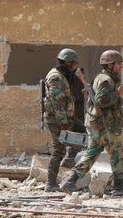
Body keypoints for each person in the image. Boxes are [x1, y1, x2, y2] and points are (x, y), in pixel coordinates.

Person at [61, 50, 123, 195]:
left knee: (90, 155)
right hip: (105, 125)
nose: (120, 67)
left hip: (96, 125)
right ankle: (118, 187)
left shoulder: (100, 77)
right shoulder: (106, 80)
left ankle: (69, 182)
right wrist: (118, 93)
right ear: (110, 65)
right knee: (117, 153)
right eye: (118, 64)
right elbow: (101, 101)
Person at [43, 48, 86, 192]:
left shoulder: (63, 75)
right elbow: (57, 101)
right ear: (68, 63)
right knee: (58, 149)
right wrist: (63, 123)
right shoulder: (55, 76)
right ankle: (50, 183)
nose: (75, 68)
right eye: (73, 65)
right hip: (56, 119)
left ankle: (69, 159)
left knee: (83, 131)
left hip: (66, 117)